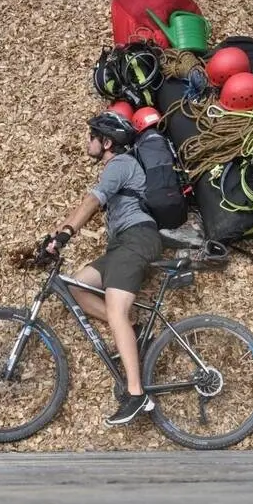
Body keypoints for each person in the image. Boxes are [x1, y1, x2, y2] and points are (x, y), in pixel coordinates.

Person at [44, 111, 162, 426]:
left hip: (138, 240)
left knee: (115, 309)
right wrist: (56, 236)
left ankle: (137, 395)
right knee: (76, 286)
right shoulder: (119, 167)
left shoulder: (119, 165)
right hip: (121, 246)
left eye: (91, 137)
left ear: (106, 142)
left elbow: (91, 202)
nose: (88, 142)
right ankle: (134, 328)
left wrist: (65, 234)